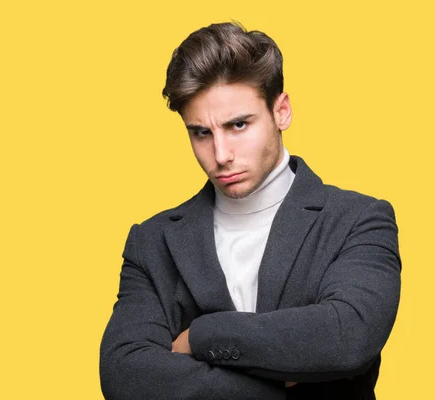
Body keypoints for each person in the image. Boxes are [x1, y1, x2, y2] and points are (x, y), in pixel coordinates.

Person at [99, 22, 401, 400]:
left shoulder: (358, 220)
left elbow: (347, 336)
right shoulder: (153, 241)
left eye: (238, 125)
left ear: (282, 112)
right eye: (201, 133)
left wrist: (199, 337)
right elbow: (125, 374)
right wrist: (284, 383)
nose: (221, 155)